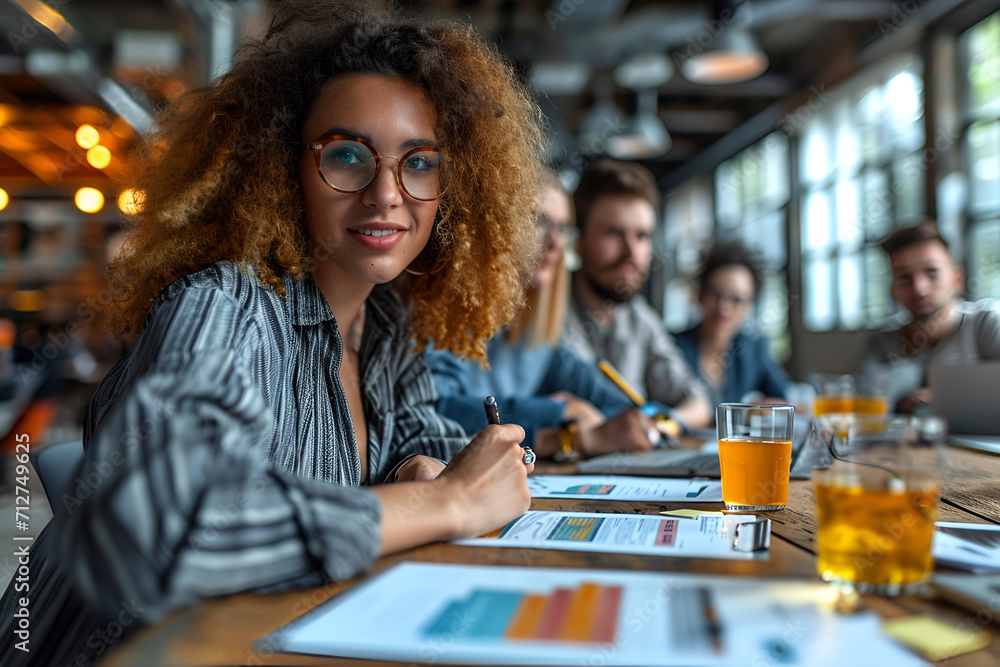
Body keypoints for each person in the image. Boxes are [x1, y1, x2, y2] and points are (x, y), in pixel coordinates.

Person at [0, 4, 545, 664]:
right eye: (346, 155)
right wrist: (446, 500)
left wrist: (421, 468)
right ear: (282, 168)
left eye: (420, 162)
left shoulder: (385, 324)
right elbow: (162, 528)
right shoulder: (224, 306)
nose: (386, 193)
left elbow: (419, 435)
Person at [428, 176, 662, 460]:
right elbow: (438, 411)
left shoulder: (534, 331)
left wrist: (652, 421)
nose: (554, 241)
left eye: (563, 227)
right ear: (493, 225)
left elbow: (617, 405)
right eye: (537, 220)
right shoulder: (446, 314)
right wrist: (560, 414)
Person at [562, 159, 712, 429]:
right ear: (578, 241)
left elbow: (697, 402)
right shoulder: (546, 314)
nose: (632, 253)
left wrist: (663, 426)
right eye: (614, 233)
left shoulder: (640, 318)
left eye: (642, 236)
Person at [858, 221, 1000, 413]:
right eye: (904, 277)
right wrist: (905, 405)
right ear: (892, 289)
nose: (919, 288)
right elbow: (865, 405)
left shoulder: (987, 324)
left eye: (931, 272)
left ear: (956, 279)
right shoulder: (883, 342)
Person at [674, 242, 790, 410]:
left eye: (737, 299)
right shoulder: (672, 347)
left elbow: (783, 398)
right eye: (716, 295)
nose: (724, 309)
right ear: (699, 295)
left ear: (749, 306)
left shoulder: (754, 348)